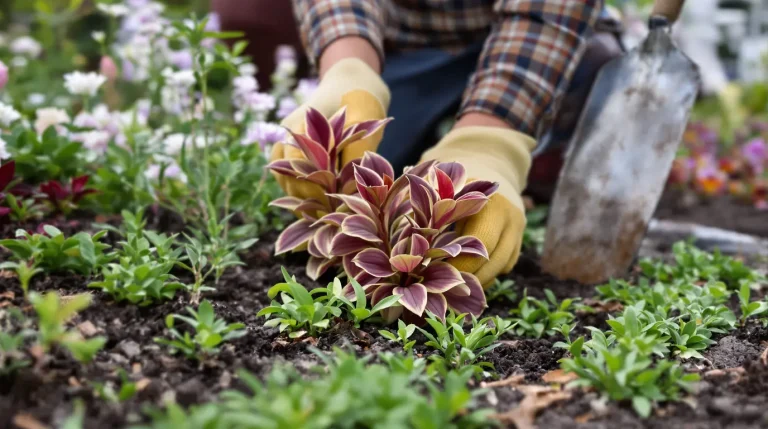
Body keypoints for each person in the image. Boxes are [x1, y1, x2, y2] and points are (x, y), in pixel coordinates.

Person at [272, 0, 607, 287]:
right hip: (405, 44)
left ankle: (538, 165)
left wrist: (491, 141)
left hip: (534, 45)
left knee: (600, 76)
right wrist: (348, 66)